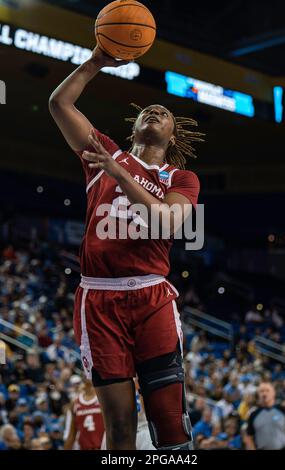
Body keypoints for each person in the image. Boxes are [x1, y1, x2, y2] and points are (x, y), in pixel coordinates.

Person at [49, 45, 203, 451]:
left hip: (151, 294)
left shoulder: (180, 178)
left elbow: (167, 221)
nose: (155, 113)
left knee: (168, 422)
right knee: (118, 426)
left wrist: (118, 172)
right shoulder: (102, 153)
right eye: (147, 111)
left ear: (172, 135)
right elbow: (59, 103)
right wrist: (97, 61)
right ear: (134, 127)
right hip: (98, 297)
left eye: (164, 113)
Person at [245, 381, 285, 450]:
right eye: (261, 391)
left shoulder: (284, 411)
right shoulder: (253, 415)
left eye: (267, 390)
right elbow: (249, 437)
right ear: (258, 394)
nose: (264, 393)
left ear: (273, 393)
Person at [64, 378, 105, 450]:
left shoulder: (103, 399)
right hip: (84, 447)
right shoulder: (75, 403)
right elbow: (72, 433)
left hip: (102, 447)